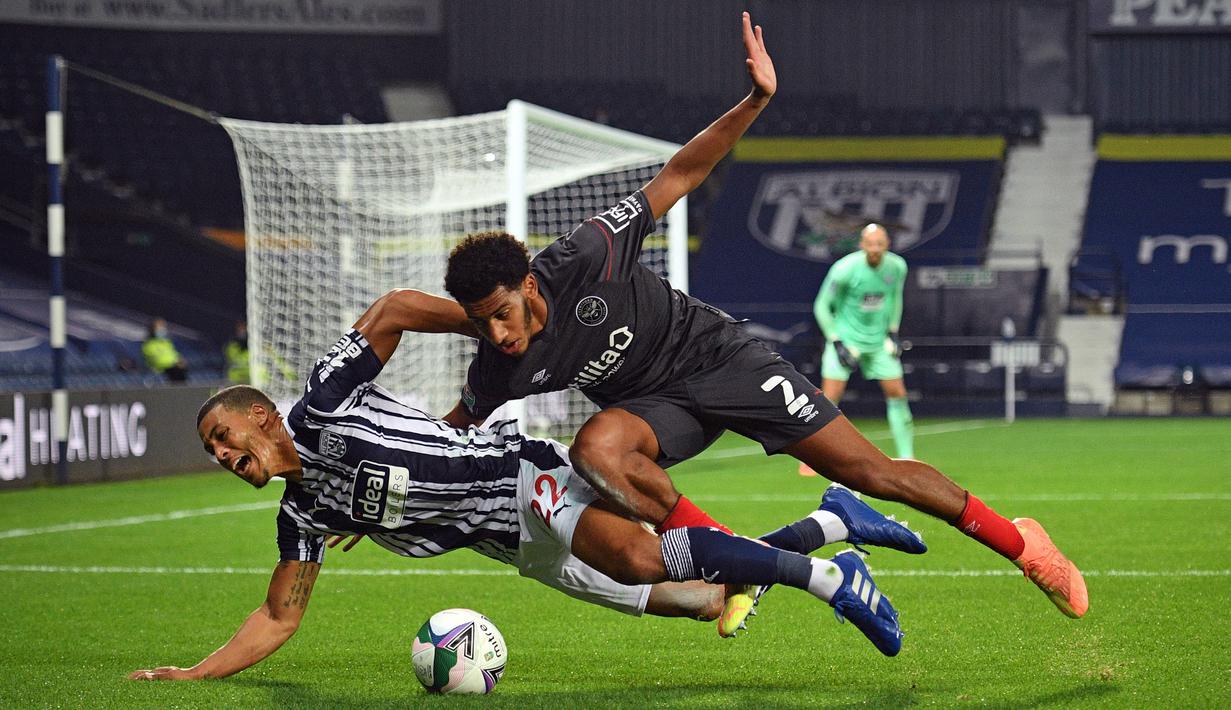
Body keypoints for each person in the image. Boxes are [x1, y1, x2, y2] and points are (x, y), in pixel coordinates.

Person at [433, 10, 1086, 634]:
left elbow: (681, 173)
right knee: (596, 451)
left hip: (719, 360)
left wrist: (754, 100)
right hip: (655, 410)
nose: (498, 334)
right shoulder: (500, 361)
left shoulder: (586, 254)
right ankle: (735, 561)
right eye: (481, 324)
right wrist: (377, 477)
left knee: (872, 472)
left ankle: (1021, 543)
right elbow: (449, 433)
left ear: (526, 285)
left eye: (501, 315)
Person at [127, 289, 927, 682]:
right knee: (704, 598)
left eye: (225, 439)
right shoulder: (306, 511)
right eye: (213, 453)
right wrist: (194, 674)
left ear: (262, 416)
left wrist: (486, 325)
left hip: (520, 477)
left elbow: (395, 308)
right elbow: (277, 615)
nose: (223, 456)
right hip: (514, 548)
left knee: (643, 560)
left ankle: (829, 580)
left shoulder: (324, 399)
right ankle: (830, 523)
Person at [799, 223, 913, 478]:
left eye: (879, 244)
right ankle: (813, 458)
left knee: (897, 393)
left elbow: (896, 298)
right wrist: (837, 342)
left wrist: (893, 331)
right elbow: (821, 306)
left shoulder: (897, 267)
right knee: (828, 401)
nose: (874, 249)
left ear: (887, 245)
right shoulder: (844, 270)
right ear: (862, 245)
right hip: (846, 340)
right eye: (870, 244)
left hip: (878, 342)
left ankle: (907, 456)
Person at [142, 317, 188, 383]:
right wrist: (174, 363)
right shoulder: (148, 345)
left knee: (181, 371)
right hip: (161, 371)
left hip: (174, 369)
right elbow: (156, 361)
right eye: (159, 327)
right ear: (152, 329)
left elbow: (175, 355)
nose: (162, 329)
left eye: (163, 326)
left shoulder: (166, 343)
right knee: (176, 372)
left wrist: (180, 361)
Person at [224, 320, 250, 385]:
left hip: (250, 379)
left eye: (243, 328)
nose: (242, 331)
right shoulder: (231, 347)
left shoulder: (254, 347)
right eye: (239, 329)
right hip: (235, 380)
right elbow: (228, 363)